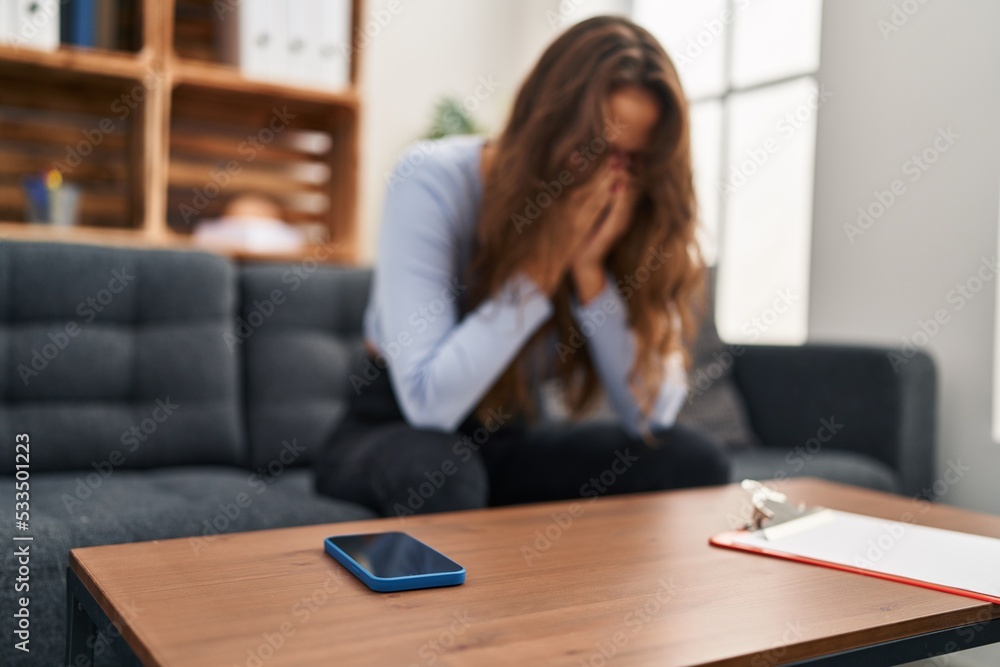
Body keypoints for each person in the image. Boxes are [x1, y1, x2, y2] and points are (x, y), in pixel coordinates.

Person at [314, 16, 730, 517]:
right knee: (443, 473)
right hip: (394, 429)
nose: (609, 179)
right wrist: (544, 262)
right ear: (546, 127)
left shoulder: (626, 222)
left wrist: (590, 269)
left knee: (692, 459)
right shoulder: (431, 179)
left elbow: (652, 414)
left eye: (632, 161)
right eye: (593, 150)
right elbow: (430, 404)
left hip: (510, 436)